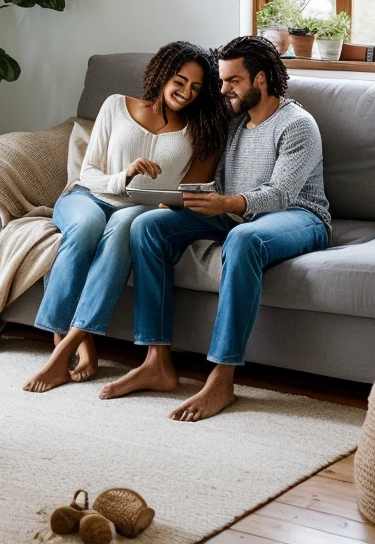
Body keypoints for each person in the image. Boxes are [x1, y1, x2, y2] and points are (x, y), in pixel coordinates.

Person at [100, 35, 331, 420]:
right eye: (221, 81)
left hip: (300, 216)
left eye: (232, 81)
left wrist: (226, 204)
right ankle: (157, 362)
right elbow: (224, 185)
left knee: (242, 239)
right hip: (238, 212)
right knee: (148, 227)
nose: (222, 89)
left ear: (260, 80)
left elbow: (281, 193)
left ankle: (222, 379)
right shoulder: (237, 124)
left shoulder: (298, 125)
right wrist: (189, 199)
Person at [23, 41, 231, 393]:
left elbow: (192, 191)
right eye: (180, 81)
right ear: (163, 75)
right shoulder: (116, 105)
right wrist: (125, 176)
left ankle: (67, 350)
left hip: (137, 210)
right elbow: (88, 171)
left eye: (195, 88)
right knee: (88, 226)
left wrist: (171, 205)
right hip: (87, 196)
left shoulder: (200, 131)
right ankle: (69, 342)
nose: (186, 92)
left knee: (122, 229)